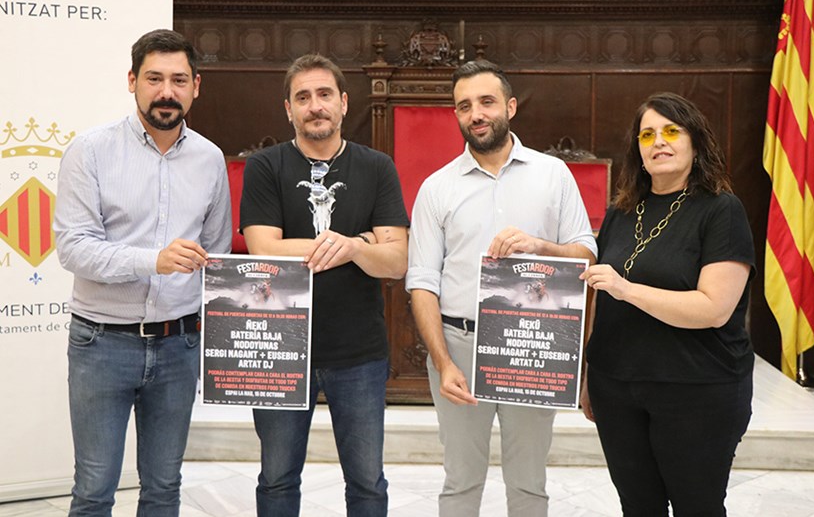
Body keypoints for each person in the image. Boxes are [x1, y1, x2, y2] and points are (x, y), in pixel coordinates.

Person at [407, 60, 597, 517]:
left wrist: (541, 247)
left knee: (529, 482)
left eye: (487, 102)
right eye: (464, 106)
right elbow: (423, 281)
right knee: (460, 481)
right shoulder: (436, 188)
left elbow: (587, 257)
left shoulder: (553, 174)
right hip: (460, 344)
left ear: (510, 107)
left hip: (533, 341)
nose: (476, 114)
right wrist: (443, 361)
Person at [53, 29, 232, 516]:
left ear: (196, 86)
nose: (166, 92)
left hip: (179, 345)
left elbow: (215, 255)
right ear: (132, 81)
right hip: (101, 344)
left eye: (179, 80)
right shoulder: (90, 151)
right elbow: (74, 248)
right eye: (154, 78)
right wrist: (153, 259)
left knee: (164, 487)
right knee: (94, 490)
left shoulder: (210, 159)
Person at [239, 53, 409, 517]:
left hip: (358, 352)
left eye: (324, 94)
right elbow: (262, 249)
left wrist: (354, 248)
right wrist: (359, 244)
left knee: (367, 483)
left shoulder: (377, 167)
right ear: (288, 109)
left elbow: (396, 261)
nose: (315, 106)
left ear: (344, 102)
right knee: (276, 478)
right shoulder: (264, 166)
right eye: (303, 97)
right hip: (277, 348)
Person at [579, 92, 755, 516]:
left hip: (697, 390)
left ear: (695, 142)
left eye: (671, 131)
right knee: (638, 506)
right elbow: (599, 296)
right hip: (616, 387)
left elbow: (714, 308)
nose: (659, 141)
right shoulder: (621, 212)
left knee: (698, 507)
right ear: (638, 150)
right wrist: (587, 372)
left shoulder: (721, 210)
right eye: (647, 134)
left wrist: (627, 289)